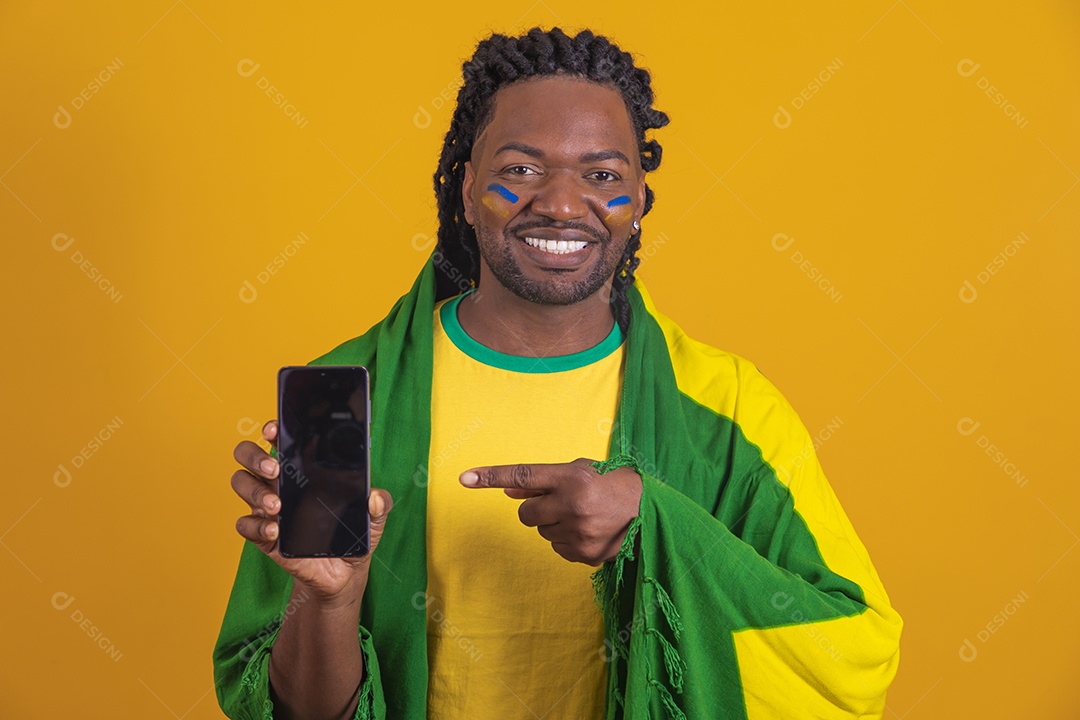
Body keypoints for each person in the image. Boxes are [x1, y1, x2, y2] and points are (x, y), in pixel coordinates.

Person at [214, 27, 902, 720]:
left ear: (639, 202)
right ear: (467, 187)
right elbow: (292, 712)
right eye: (519, 169)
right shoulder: (343, 397)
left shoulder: (727, 407)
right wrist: (329, 600)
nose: (563, 204)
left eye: (602, 175)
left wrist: (652, 521)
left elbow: (854, 652)